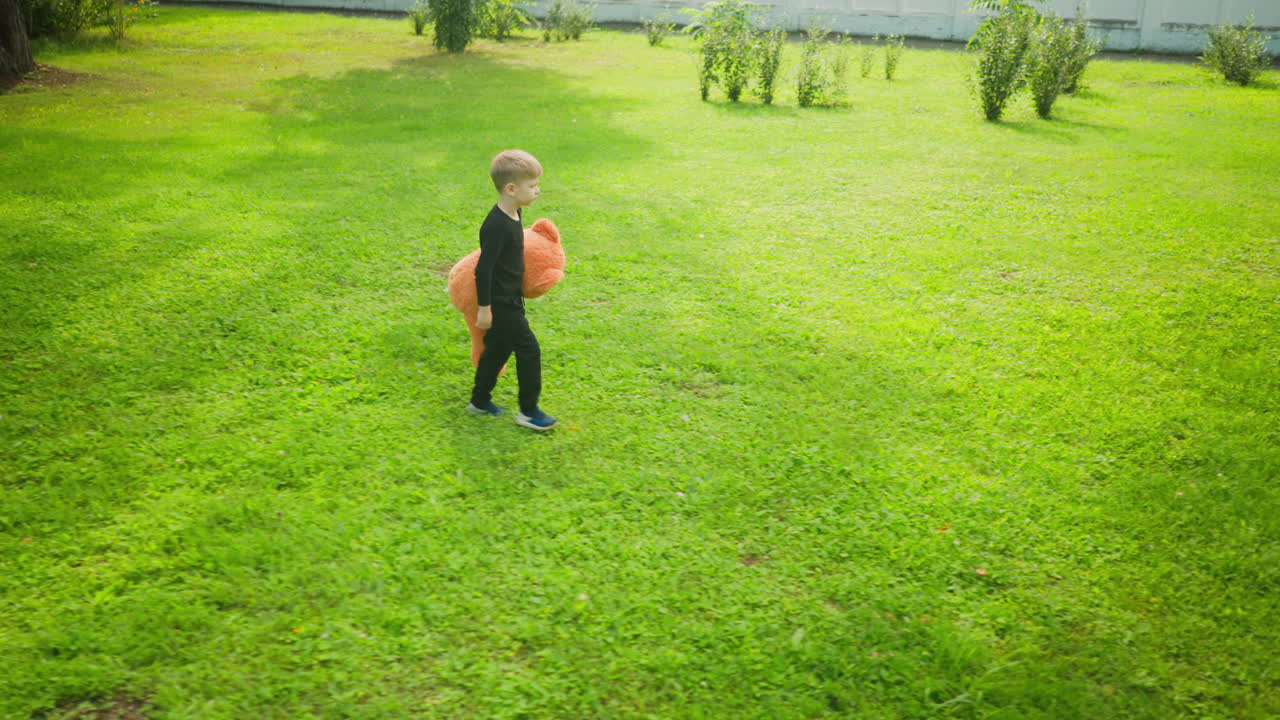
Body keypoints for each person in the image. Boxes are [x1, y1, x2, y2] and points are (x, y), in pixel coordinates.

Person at [466, 149, 558, 431]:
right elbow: (484, 269)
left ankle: (479, 402)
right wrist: (484, 310)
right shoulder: (495, 225)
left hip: (511, 298)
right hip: (501, 303)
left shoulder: (515, 212)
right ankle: (529, 411)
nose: (537, 191)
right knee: (529, 350)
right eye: (532, 186)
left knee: (497, 350)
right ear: (511, 188)